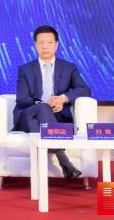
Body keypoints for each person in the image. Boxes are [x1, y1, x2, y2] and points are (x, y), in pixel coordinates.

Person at [13, 25, 91, 179]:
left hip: (55, 117)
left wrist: (63, 98)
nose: (45, 46)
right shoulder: (25, 69)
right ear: (35, 45)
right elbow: (21, 99)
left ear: (56, 45)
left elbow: (85, 89)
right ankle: (64, 160)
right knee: (42, 108)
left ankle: (41, 174)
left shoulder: (69, 68)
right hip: (27, 115)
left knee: (36, 124)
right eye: (41, 43)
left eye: (49, 42)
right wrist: (44, 104)